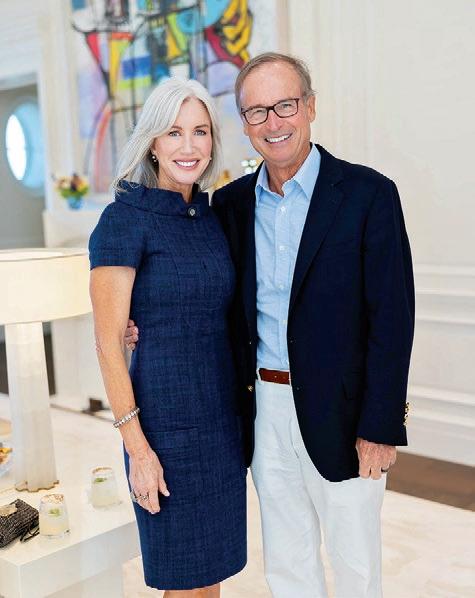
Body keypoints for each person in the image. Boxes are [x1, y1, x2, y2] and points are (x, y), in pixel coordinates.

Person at [127, 52, 415, 598]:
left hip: (344, 413)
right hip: (261, 410)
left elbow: (393, 322)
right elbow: (198, 285)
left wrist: (381, 426)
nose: (273, 122)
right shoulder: (229, 205)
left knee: (356, 565)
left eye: (285, 105)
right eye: (256, 111)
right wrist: (137, 321)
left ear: (310, 107)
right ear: (243, 123)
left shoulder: (368, 195)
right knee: (286, 563)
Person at [89, 77, 246, 597]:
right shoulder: (123, 220)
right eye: (174, 132)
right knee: (180, 577)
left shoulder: (210, 217)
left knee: (211, 574)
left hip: (220, 423)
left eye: (200, 131)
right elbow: (108, 344)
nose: (188, 145)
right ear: (152, 142)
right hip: (163, 429)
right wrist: (138, 449)